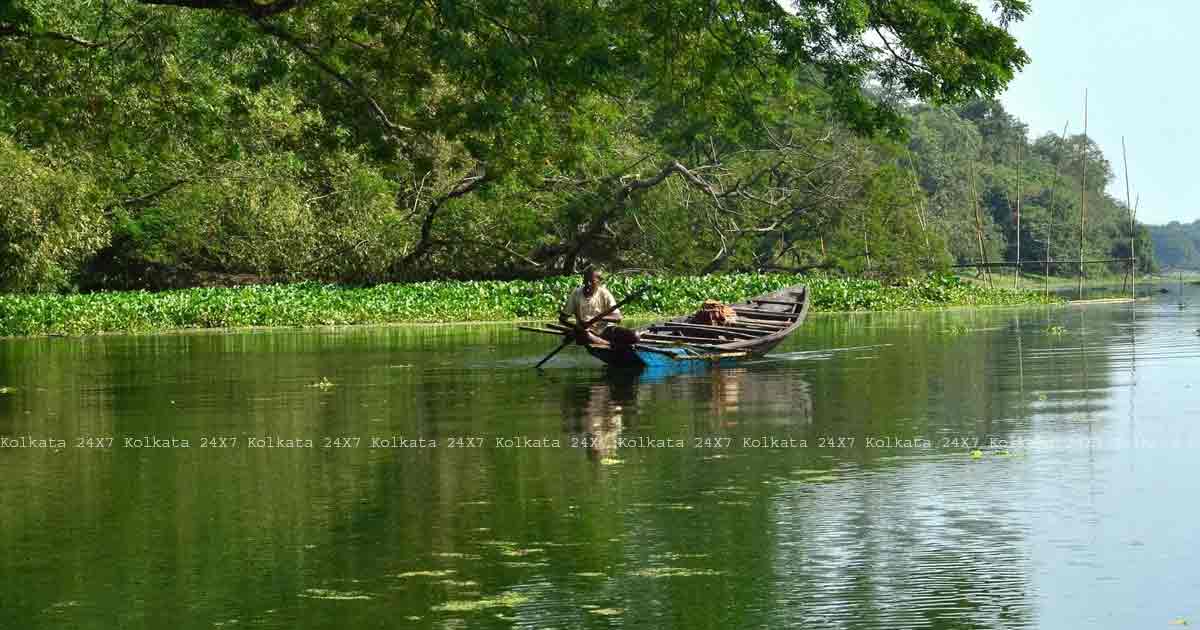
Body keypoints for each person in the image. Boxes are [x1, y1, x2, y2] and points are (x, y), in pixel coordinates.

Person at [559, 268, 641, 348]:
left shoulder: (604, 293)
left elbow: (618, 317)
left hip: (606, 330)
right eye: (586, 281)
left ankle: (606, 343)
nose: (588, 284)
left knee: (635, 336)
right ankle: (611, 345)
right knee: (585, 335)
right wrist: (577, 327)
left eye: (591, 281)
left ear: (599, 282)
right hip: (586, 332)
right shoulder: (576, 294)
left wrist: (598, 318)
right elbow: (563, 319)